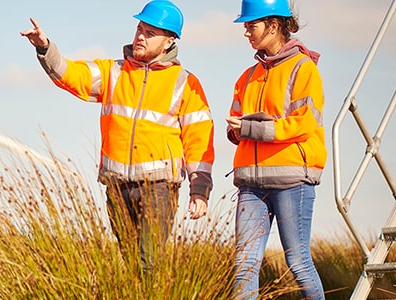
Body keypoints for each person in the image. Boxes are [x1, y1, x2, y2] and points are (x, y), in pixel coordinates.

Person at [20, 0, 215, 271]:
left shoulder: (185, 83)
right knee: (131, 263)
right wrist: (45, 48)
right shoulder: (113, 72)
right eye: (139, 29)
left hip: (158, 188)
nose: (140, 36)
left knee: (148, 264)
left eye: (150, 33)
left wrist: (199, 189)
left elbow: (199, 138)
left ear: (169, 42)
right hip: (117, 185)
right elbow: (70, 74)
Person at [225, 0, 326, 298]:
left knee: (298, 263)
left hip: (292, 181)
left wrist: (251, 128)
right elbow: (236, 124)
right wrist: (236, 130)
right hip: (251, 185)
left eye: (251, 26)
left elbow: (303, 124)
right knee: (243, 266)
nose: (246, 32)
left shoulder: (303, 69)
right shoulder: (247, 76)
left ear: (273, 25)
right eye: (245, 26)